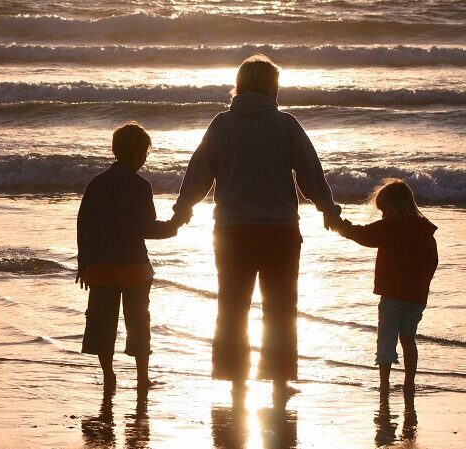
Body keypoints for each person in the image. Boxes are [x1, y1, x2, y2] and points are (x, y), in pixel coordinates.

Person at [171, 54, 341, 396]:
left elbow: (199, 171)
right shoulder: (286, 125)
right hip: (279, 231)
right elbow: (310, 173)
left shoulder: (222, 124)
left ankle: (235, 379)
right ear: (272, 88)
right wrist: (328, 209)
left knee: (232, 305)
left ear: (241, 85)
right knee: (280, 307)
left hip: (232, 231)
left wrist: (183, 208)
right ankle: (279, 380)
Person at [76, 122, 181, 390]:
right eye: (145, 153)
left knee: (102, 322)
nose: (145, 158)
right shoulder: (140, 186)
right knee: (138, 322)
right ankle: (142, 377)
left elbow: (83, 224)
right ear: (137, 154)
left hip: (99, 265)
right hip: (132, 264)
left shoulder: (96, 183)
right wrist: (175, 225)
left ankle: (109, 375)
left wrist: (83, 263)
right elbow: (147, 228)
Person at [332, 179, 438, 395]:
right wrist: (423, 283)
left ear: (393, 207)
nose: (382, 215)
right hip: (417, 296)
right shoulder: (424, 228)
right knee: (408, 338)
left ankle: (384, 383)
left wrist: (338, 225)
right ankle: (410, 381)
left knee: (387, 338)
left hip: (392, 294)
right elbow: (432, 261)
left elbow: (362, 234)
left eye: (384, 210)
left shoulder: (391, 226)